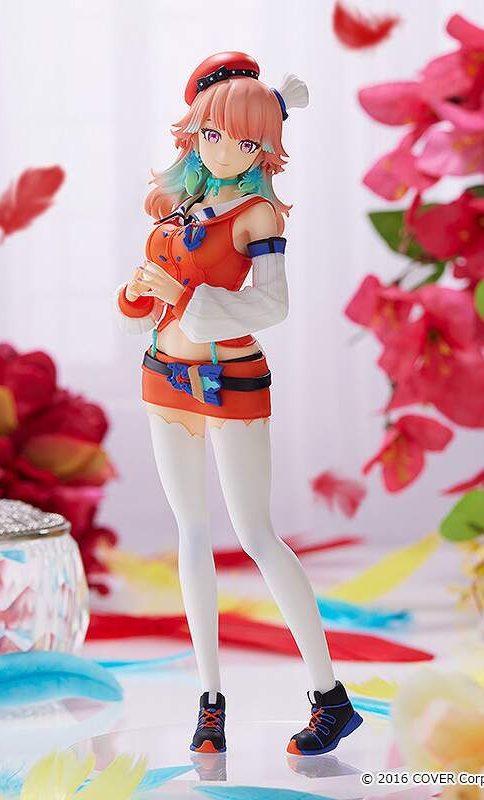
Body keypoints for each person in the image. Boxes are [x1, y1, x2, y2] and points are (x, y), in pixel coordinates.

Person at [114, 51, 363, 757]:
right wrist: (138, 295)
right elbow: (147, 304)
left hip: (231, 381)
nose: (226, 150)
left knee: (256, 535)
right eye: (215, 134)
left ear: (265, 149)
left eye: (248, 141)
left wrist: (185, 296)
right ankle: (210, 700)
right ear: (195, 131)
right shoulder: (179, 207)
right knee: (191, 533)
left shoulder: (257, 214)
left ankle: (330, 697)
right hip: (165, 377)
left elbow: (271, 304)